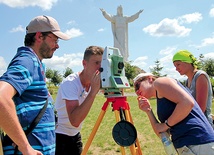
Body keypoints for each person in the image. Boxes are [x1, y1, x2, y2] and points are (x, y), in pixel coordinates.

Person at [0, 15, 70, 154]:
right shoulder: (27, 61)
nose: (57, 45)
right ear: (39, 37)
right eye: (54, 40)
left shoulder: (36, 63)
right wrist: (25, 147)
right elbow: (1, 97)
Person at [133, 73, 214, 155]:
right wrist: (148, 111)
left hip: (198, 141)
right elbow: (162, 132)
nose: (136, 91)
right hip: (189, 144)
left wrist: (166, 125)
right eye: (134, 90)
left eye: (137, 86)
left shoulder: (160, 82)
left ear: (149, 78)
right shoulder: (162, 97)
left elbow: (187, 103)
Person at [55, 46, 104, 155]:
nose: (100, 67)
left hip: (75, 135)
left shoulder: (93, 81)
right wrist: (92, 93)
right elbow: (75, 121)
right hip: (59, 137)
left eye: (102, 63)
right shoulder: (71, 83)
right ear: (84, 63)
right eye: (96, 63)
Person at [172, 50, 213, 127]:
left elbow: (201, 108)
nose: (176, 69)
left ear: (188, 62)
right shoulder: (187, 81)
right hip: (196, 121)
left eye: (178, 64)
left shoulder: (200, 76)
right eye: (175, 66)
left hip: (204, 124)